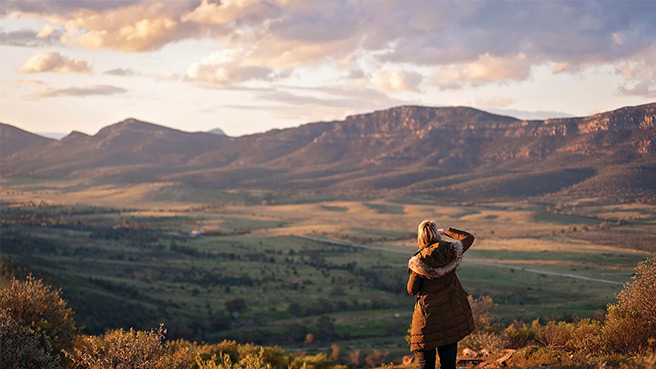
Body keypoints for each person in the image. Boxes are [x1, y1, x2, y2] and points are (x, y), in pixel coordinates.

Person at [407, 220, 476, 369]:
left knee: (426, 365)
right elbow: (468, 237)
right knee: (449, 365)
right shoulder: (450, 250)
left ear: (421, 237)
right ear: (436, 233)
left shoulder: (419, 260)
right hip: (451, 316)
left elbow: (412, 290)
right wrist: (447, 231)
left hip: (427, 321)